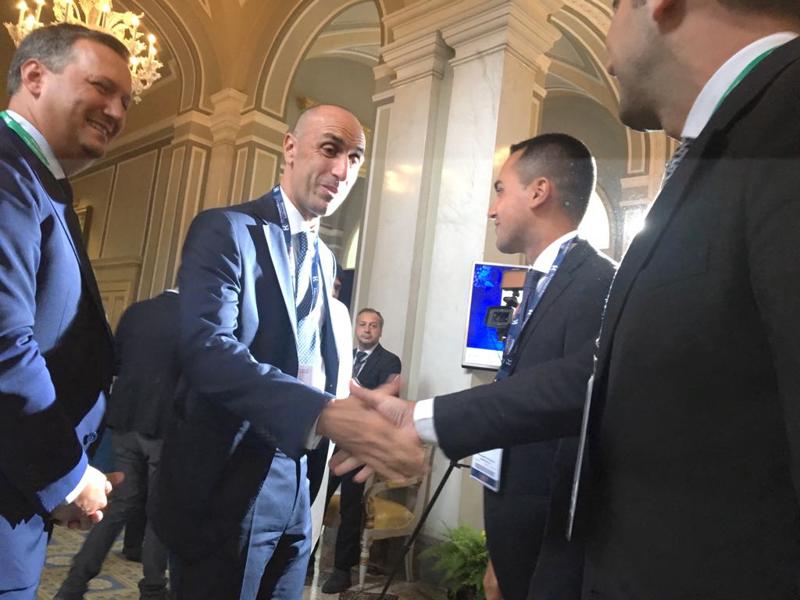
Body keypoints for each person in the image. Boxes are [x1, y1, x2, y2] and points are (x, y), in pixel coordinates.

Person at [339, 1, 800, 597]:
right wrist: (424, 418)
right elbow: (607, 373)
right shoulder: (724, 146)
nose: (606, 41)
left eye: (614, 6)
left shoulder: (786, 122)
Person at [149, 104, 425, 599]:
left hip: (300, 480)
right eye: (330, 149)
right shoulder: (226, 229)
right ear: (290, 147)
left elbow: (307, 364)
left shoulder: (325, 259)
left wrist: (359, 411)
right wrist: (322, 413)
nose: (342, 170)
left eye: (355, 159)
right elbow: (208, 349)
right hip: (227, 482)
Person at [0, 23, 131, 598]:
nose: (117, 111)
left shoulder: (36, 178)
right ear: (34, 75)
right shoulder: (7, 170)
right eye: (102, 87)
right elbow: (5, 345)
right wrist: (69, 478)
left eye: (126, 101)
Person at [475, 134, 614, 600]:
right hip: (515, 538)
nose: (492, 209)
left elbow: (577, 437)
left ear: (538, 192)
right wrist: (498, 553)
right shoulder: (538, 284)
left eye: (500, 190)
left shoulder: (597, 284)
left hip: (550, 554)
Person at [56, 290, 180, 600]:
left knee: (119, 505)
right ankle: (153, 590)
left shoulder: (136, 312)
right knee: (159, 512)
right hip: (166, 427)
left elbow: (115, 362)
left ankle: (73, 585)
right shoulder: (196, 318)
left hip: (125, 420)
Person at [322, 308, 402, 594]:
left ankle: (342, 570)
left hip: (359, 444)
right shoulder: (344, 355)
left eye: (373, 326)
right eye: (363, 325)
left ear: (380, 330)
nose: (367, 330)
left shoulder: (389, 361)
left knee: (350, 506)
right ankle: (304, 556)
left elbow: (385, 405)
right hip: (328, 440)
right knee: (314, 498)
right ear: (356, 328)